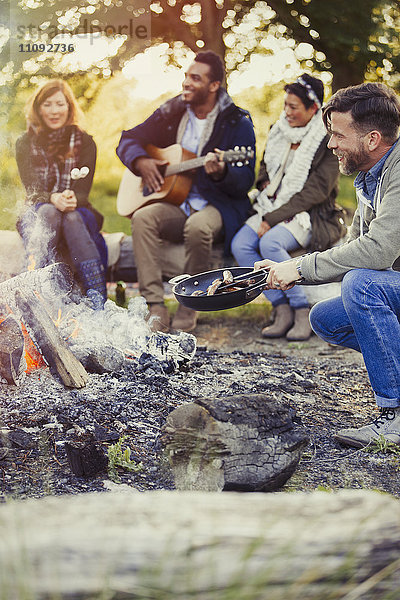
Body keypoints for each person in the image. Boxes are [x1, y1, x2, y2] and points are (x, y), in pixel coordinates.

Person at [254, 82, 400, 449]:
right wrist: (285, 272)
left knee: (362, 286)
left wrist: (300, 267)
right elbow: (355, 246)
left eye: (337, 135)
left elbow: (378, 251)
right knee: (326, 318)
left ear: (372, 139)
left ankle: (395, 416)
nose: (331, 144)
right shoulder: (373, 175)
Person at [116, 50, 256, 333]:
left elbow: (245, 180)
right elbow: (129, 139)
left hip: (217, 204)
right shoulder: (173, 112)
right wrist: (141, 162)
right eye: (186, 76)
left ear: (214, 85)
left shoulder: (236, 121)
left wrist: (223, 172)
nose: (186, 83)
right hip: (177, 202)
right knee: (143, 218)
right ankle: (154, 303)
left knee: (197, 227)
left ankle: (190, 301)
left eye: (195, 78)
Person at [231, 74, 345, 341]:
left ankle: (300, 309)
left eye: (294, 107)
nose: (287, 112)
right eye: (286, 105)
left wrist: (272, 218)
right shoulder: (278, 130)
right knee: (241, 245)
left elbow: (318, 190)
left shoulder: (326, 140)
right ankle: (279, 307)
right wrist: (266, 184)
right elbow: (264, 168)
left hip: (308, 213)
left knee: (270, 243)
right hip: (271, 205)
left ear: (313, 108)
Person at [15, 79, 108, 306]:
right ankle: (39, 290)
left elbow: (83, 192)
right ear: (38, 108)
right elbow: (33, 190)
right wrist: (53, 198)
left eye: (60, 104)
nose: (54, 111)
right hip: (38, 212)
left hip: (78, 211)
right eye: (47, 104)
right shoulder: (25, 142)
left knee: (73, 217)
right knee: (48, 211)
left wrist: (71, 198)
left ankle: (96, 299)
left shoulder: (85, 142)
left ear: (69, 107)